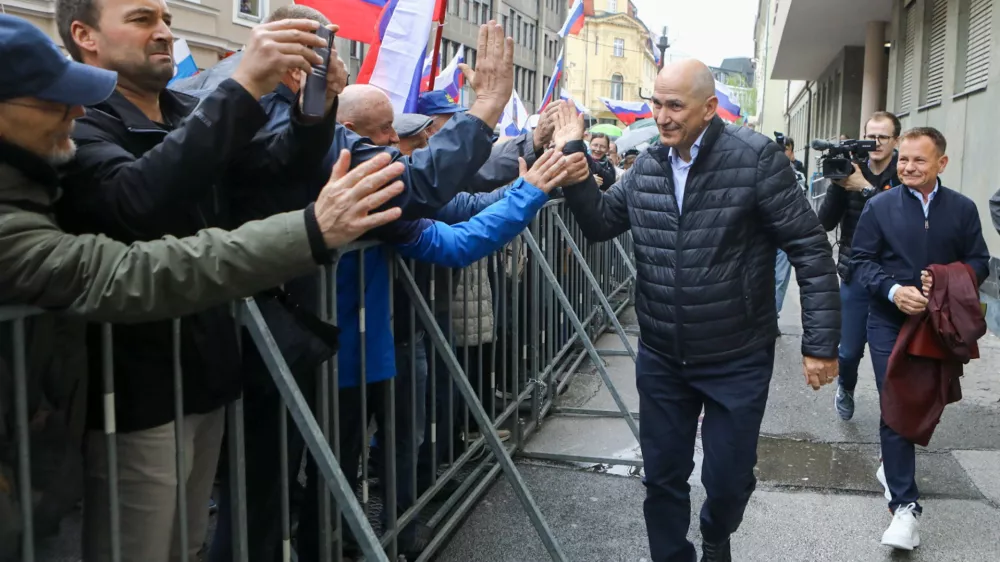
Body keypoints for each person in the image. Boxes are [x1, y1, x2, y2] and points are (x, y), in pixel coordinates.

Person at [0, 13, 406, 554]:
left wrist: (315, 107)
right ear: (84, 35)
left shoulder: (185, 111)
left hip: (206, 367)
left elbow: (271, 178)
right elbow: (134, 212)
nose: (164, 31)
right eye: (141, 18)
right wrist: (245, 86)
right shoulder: (95, 126)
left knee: (188, 544)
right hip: (135, 388)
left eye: (166, 17)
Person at [557, 59, 840, 562]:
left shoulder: (756, 159)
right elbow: (600, 223)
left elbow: (810, 248)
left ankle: (716, 534)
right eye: (656, 103)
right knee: (662, 476)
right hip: (663, 356)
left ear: (709, 108)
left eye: (674, 106)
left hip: (738, 355)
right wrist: (574, 161)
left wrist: (820, 344)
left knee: (728, 480)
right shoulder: (647, 166)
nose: (662, 116)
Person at [850, 127, 989, 551]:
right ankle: (904, 508)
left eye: (919, 160)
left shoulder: (962, 209)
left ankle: (892, 465)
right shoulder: (879, 205)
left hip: (938, 324)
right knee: (896, 399)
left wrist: (947, 278)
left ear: (941, 163)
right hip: (888, 321)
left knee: (924, 400)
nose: (908, 167)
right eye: (904, 159)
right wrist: (893, 290)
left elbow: (979, 261)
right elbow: (860, 262)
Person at [818, 111, 901, 421]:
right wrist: (839, 183)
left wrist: (864, 188)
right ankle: (846, 386)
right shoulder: (851, 169)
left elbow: (898, 221)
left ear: (896, 141)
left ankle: (893, 413)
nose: (875, 143)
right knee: (849, 350)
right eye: (870, 137)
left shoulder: (903, 172)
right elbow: (825, 221)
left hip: (895, 274)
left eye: (882, 137)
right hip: (855, 273)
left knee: (892, 354)